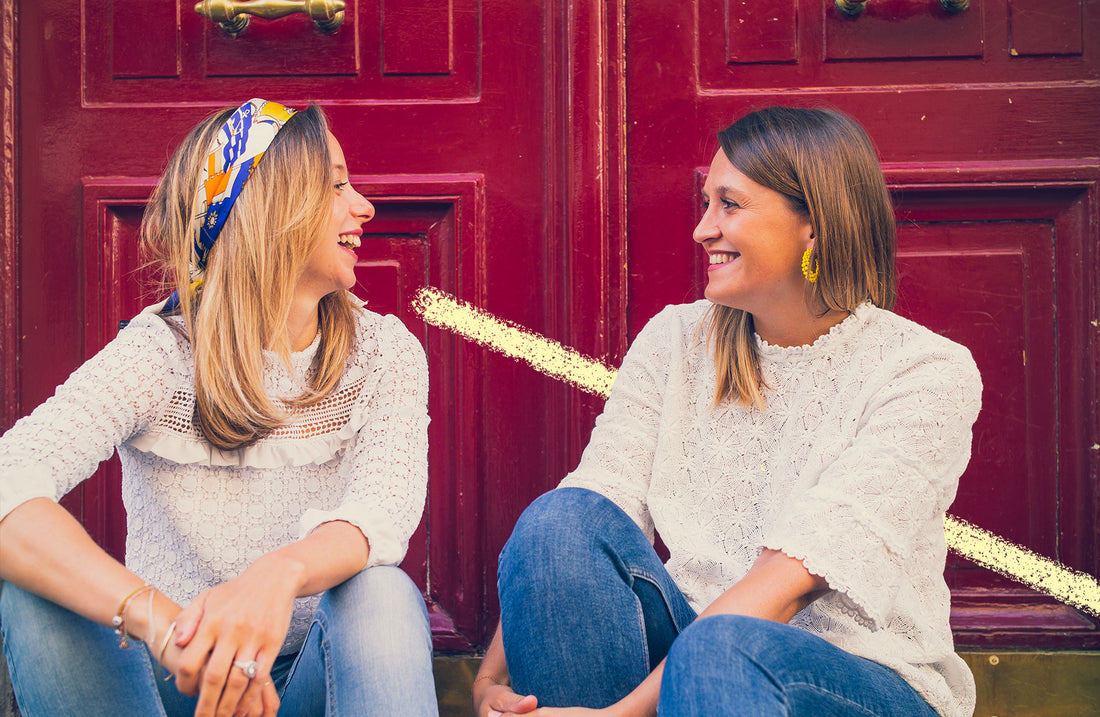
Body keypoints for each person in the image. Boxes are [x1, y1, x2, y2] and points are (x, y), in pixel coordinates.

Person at [472, 107, 980, 717]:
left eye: (730, 205)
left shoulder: (922, 370)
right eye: (706, 203)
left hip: (859, 681)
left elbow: (790, 584)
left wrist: (617, 716)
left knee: (721, 649)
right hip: (694, 668)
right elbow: (589, 508)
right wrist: (491, 678)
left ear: (814, 226)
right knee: (562, 518)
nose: (702, 229)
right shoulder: (677, 340)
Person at [0, 99, 438, 717]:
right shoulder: (159, 353)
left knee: (382, 592)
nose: (363, 207)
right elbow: (9, 478)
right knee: (31, 583)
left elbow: (382, 514)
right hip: (173, 680)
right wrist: (161, 623)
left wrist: (276, 574)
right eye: (336, 185)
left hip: (306, 683)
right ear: (272, 208)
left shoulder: (384, 352)